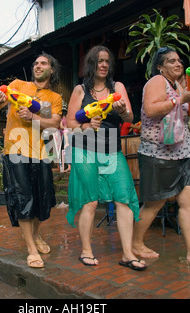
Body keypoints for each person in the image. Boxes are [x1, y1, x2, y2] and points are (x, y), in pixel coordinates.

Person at [131, 46, 190, 265]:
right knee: (155, 203)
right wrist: (180, 99)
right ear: (160, 67)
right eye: (171, 61)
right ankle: (135, 242)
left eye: (179, 60)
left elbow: (185, 110)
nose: (178, 64)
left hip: (180, 151)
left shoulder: (177, 85)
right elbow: (151, 109)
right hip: (157, 154)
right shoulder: (156, 82)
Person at [65, 45, 145, 271]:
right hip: (85, 148)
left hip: (112, 148)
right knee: (90, 200)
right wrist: (87, 124)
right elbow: (69, 123)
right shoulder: (80, 90)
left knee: (124, 197)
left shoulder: (117, 87)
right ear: (91, 64)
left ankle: (128, 254)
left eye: (107, 61)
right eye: (99, 61)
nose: (104, 65)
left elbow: (130, 115)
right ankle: (86, 251)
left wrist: (121, 111)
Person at [0, 52, 62, 268]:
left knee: (42, 198)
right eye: (36, 63)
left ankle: (35, 234)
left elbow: (53, 123)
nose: (38, 66)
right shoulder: (18, 85)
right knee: (23, 197)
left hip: (40, 152)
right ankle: (31, 248)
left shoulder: (53, 98)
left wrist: (33, 117)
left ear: (52, 69)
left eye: (43, 63)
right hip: (16, 148)